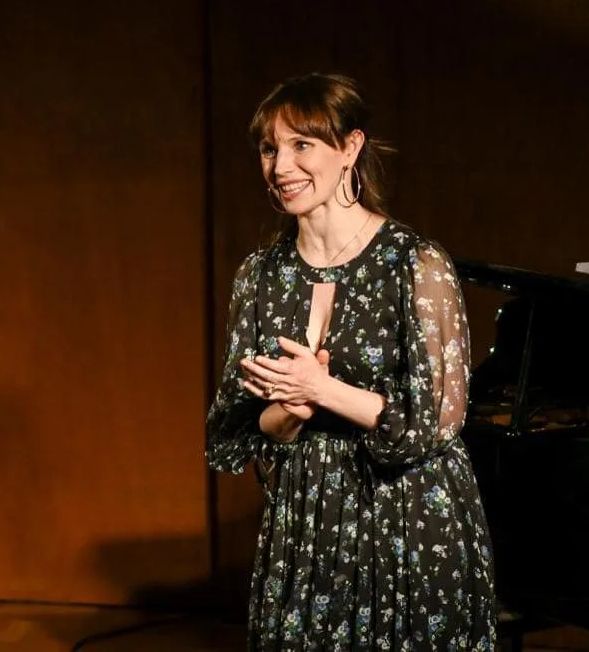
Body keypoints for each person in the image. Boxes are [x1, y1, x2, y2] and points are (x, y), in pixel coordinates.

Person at [206, 73, 496, 651]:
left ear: (350, 149)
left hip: (407, 520)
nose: (281, 166)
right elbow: (236, 428)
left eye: (301, 145)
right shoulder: (261, 276)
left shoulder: (416, 264)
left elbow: (437, 422)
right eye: (270, 149)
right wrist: (288, 410)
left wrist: (322, 387)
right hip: (306, 524)